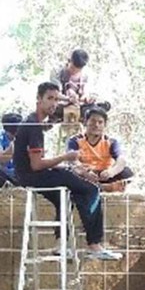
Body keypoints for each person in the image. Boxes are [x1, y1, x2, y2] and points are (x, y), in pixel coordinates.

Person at [10, 83, 122, 259]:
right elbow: (36, 165)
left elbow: (35, 162)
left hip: (27, 175)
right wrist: (65, 157)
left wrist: (59, 165)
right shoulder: (34, 126)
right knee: (91, 190)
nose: (54, 103)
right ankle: (94, 245)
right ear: (38, 99)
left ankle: (60, 244)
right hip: (31, 176)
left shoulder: (34, 122)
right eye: (50, 98)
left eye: (56, 99)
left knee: (66, 197)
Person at [65, 107, 133, 190]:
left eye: (100, 122)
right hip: (85, 175)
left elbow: (121, 160)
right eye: (93, 121)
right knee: (69, 172)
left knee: (127, 172)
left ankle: (101, 187)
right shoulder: (75, 140)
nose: (96, 125)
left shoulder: (111, 142)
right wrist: (86, 172)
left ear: (105, 125)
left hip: (104, 175)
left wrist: (111, 172)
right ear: (85, 122)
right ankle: (104, 188)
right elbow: (73, 161)